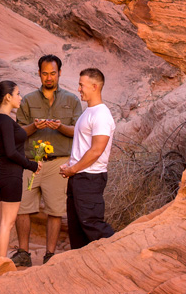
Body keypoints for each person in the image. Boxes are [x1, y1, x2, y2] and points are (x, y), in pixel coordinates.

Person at [12, 55, 82, 266]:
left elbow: (78, 131)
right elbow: (18, 132)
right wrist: (34, 127)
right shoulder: (28, 100)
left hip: (58, 163)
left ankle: (49, 255)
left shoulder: (71, 100)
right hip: (31, 162)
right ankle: (23, 253)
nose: (49, 77)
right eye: (45, 73)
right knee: (22, 207)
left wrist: (60, 126)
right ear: (39, 74)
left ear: (59, 73)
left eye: (53, 73)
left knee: (55, 209)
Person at [0, 80, 42, 258]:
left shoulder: (0, 119)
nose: (20, 97)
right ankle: (0, 264)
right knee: (7, 224)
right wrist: (31, 165)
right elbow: (10, 151)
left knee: (4, 222)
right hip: (10, 175)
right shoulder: (5, 120)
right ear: (8, 97)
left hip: (5, 173)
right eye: (18, 94)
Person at [59, 68, 115, 249]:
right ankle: (81, 266)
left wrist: (73, 169)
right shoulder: (88, 113)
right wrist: (70, 164)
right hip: (78, 176)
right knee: (76, 226)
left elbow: (97, 150)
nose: (79, 89)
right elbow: (83, 146)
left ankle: (119, 252)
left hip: (90, 177)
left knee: (91, 223)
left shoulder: (101, 114)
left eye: (82, 85)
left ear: (95, 86)